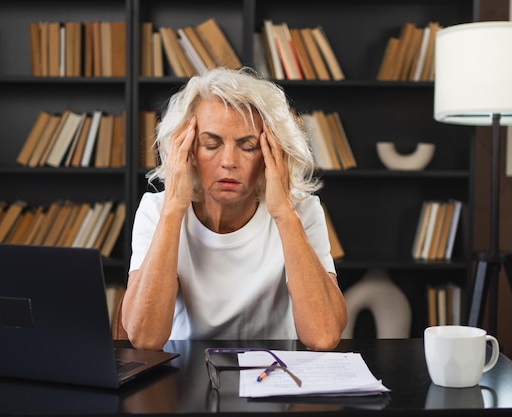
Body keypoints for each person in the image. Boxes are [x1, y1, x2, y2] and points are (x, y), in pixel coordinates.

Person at [122, 67, 347, 351]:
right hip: (185, 378)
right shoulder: (156, 211)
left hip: (273, 378)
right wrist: (174, 209)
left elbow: (324, 336)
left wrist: (285, 214)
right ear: (189, 151)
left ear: (270, 154)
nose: (229, 161)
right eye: (211, 144)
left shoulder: (303, 212)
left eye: (248, 146)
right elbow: (144, 337)